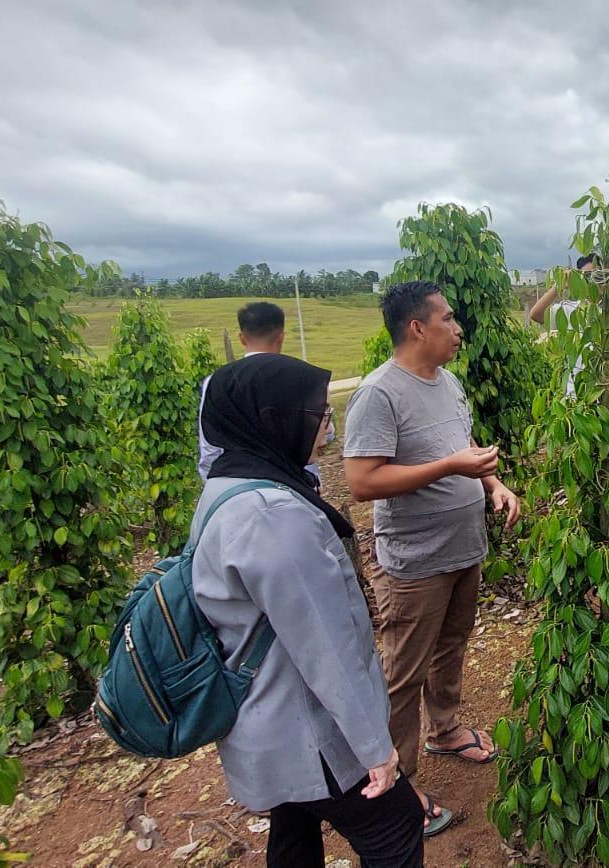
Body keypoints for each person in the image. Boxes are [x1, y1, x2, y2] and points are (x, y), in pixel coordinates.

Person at [194, 354, 422, 867]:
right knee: (396, 825)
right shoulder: (273, 515)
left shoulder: (230, 485)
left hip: (266, 721)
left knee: (294, 829)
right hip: (308, 729)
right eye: (317, 418)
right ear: (270, 419)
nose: (328, 431)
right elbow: (324, 644)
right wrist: (375, 750)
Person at [343, 280, 522, 836]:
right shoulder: (379, 394)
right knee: (402, 673)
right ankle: (396, 787)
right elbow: (362, 481)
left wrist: (494, 484)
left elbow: (463, 448)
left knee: (451, 645)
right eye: (447, 318)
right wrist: (450, 469)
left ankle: (443, 728)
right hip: (415, 563)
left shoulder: (449, 383)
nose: (458, 327)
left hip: (463, 547)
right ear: (417, 327)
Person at [198, 302, 293, 479]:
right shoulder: (297, 376)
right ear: (281, 336)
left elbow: (210, 443)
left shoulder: (216, 380)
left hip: (235, 481)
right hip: (291, 481)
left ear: (241, 338)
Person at [527, 253, 597, 398]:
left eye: (599, 275)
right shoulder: (571, 310)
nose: (593, 281)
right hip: (576, 398)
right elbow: (536, 314)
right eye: (588, 276)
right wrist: (559, 285)